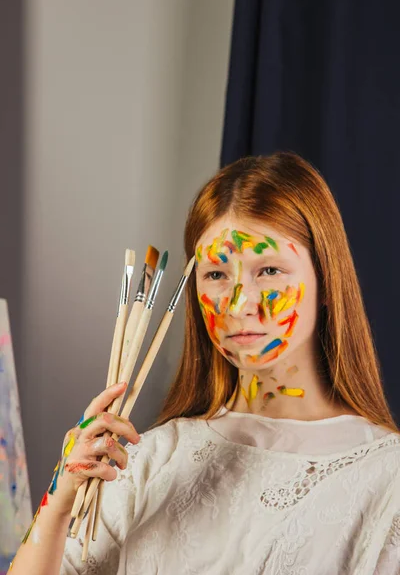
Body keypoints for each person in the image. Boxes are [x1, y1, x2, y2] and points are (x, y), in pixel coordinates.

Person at [9, 151, 400, 575]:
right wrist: (60, 500)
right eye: (216, 274)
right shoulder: (149, 458)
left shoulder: (386, 476)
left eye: (268, 270)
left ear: (327, 280)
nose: (238, 303)